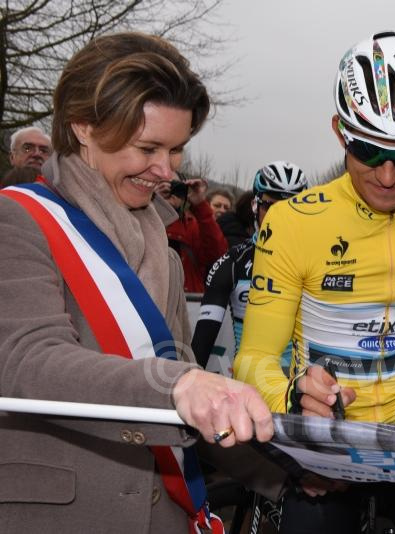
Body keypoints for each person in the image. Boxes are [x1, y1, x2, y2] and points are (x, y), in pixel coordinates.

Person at [0, 32, 273, 532]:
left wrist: (288, 473)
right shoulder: (17, 220)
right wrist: (180, 385)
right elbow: (28, 361)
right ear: (83, 126)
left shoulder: (162, 250)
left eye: (176, 150)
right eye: (148, 147)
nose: (165, 170)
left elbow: (185, 385)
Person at [235, 31, 395, 533]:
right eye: (368, 150)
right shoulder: (291, 222)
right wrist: (292, 399)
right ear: (339, 131)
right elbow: (254, 357)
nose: (388, 175)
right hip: (326, 444)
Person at [192, 161, 308, 368]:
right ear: (255, 205)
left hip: (304, 389)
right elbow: (201, 345)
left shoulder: (318, 261)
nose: (281, 215)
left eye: (292, 206)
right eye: (270, 205)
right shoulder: (234, 261)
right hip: (252, 385)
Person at [158, 171, 228, 293]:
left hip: (187, 301)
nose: (170, 190)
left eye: (175, 185)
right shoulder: (139, 220)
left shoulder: (193, 226)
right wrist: (153, 201)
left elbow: (218, 256)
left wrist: (200, 204)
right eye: (163, 185)